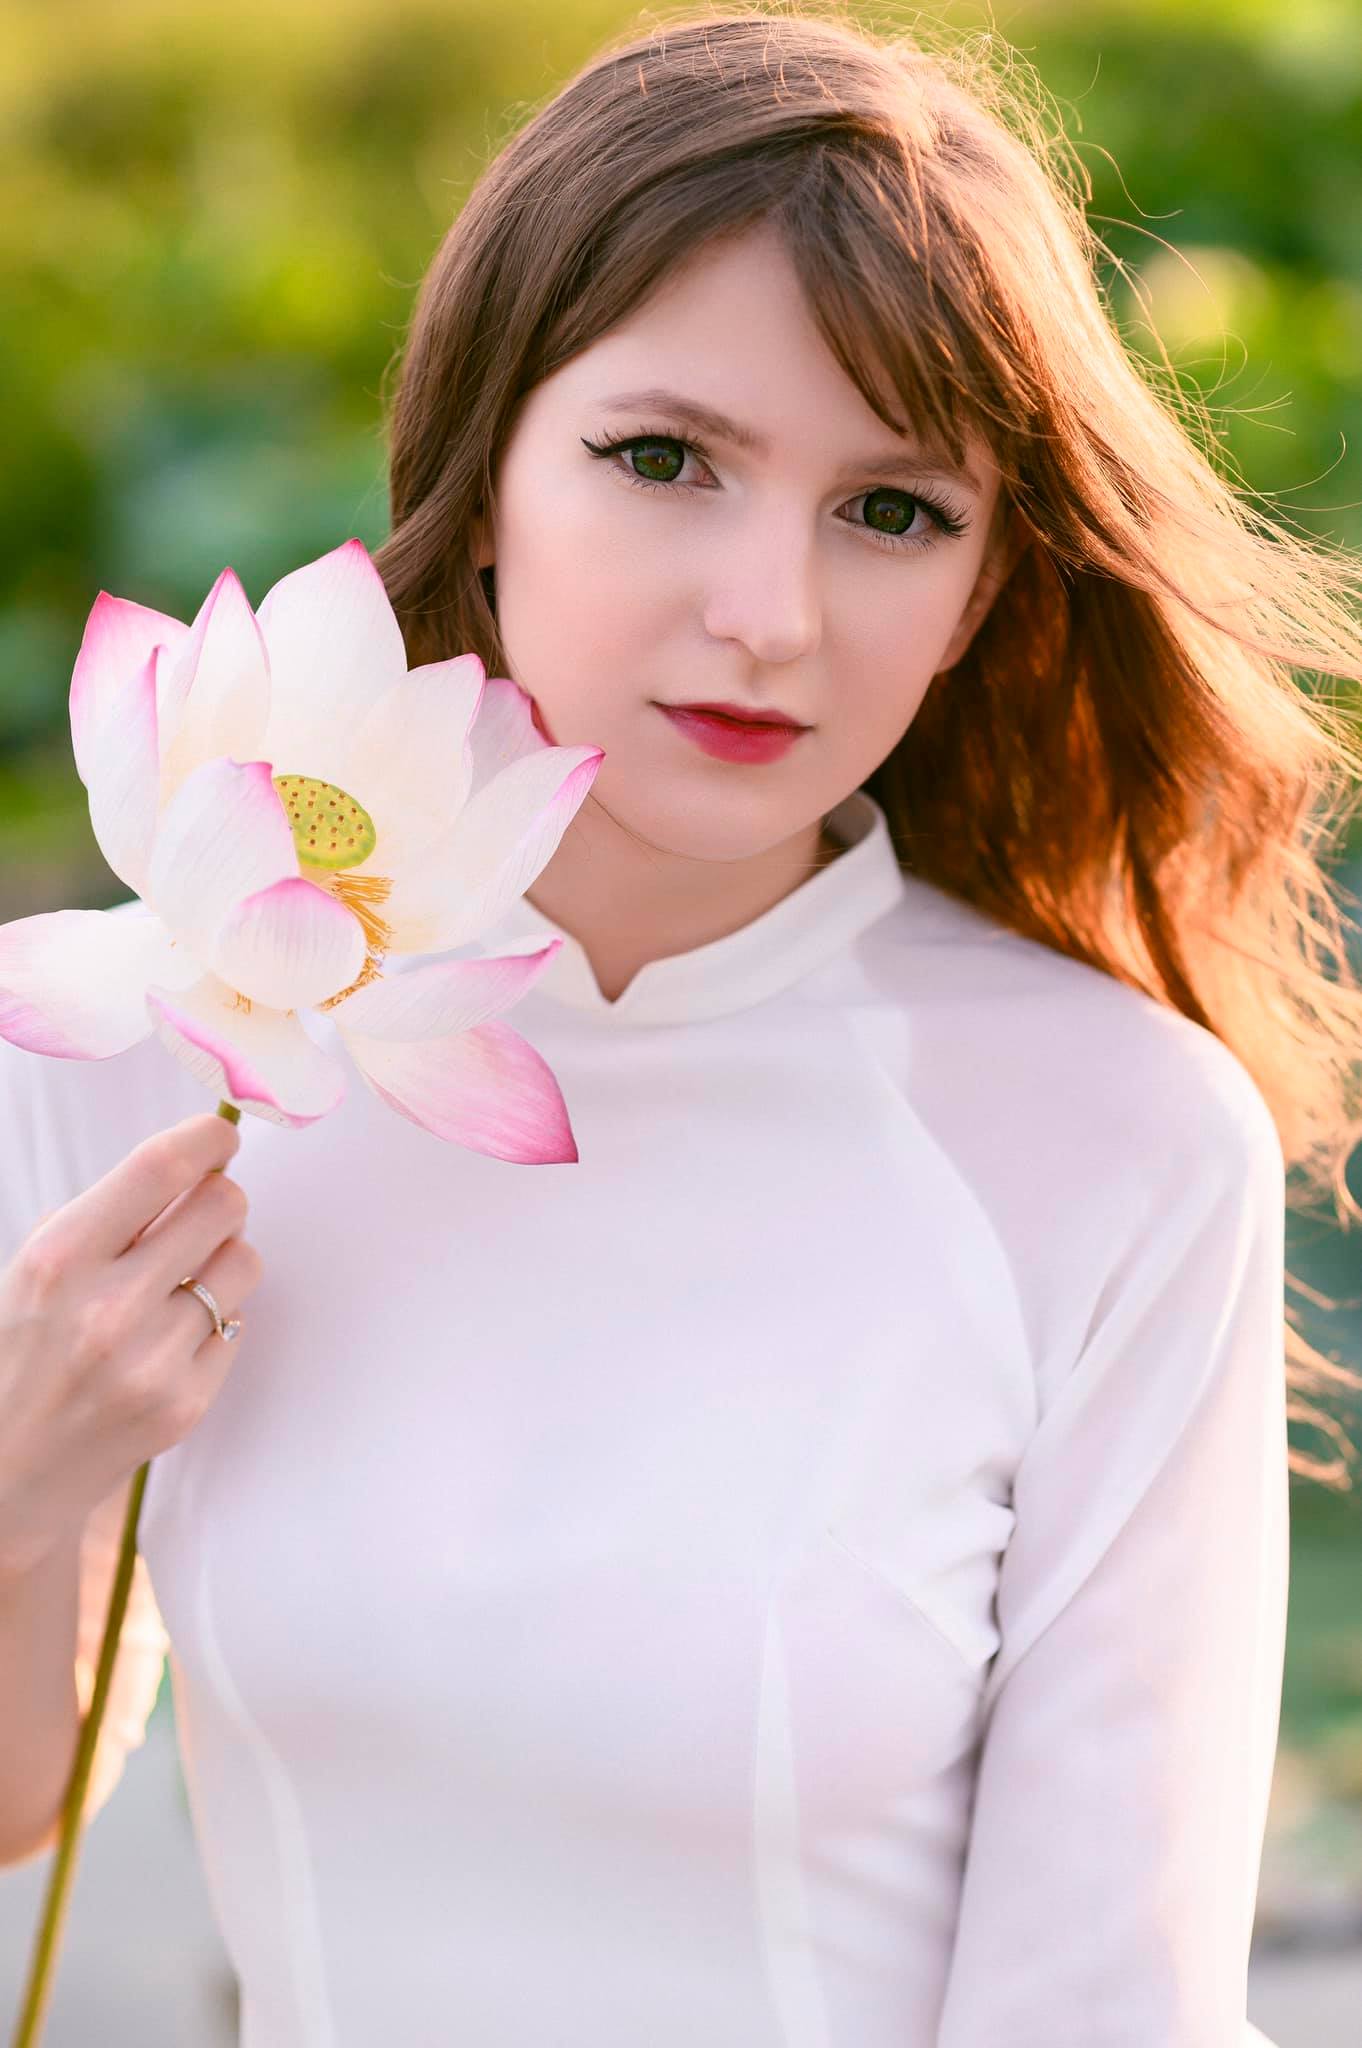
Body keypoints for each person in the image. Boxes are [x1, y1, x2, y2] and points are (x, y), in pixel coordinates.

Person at [2, 6, 1360, 2041]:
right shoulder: (155, 1040)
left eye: (892, 511)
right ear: (481, 475)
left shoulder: (1116, 1142)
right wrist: (20, 1477)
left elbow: (1106, 2007)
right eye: (664, 462)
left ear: (986, 589)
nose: (768, 614)